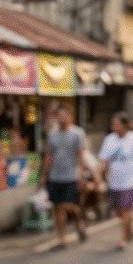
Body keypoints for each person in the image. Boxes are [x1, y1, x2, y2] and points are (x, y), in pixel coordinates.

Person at [39, 105, 99, 249]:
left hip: (71, 176)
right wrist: (44, 175)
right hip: (55, 176)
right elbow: (48, 156)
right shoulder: (52, 135)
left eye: (64, 115)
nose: (61, 118)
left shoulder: (77, 133)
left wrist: (82, 175)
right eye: (59, 115)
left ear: (70, 117)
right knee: (57, 207)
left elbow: (81, 155)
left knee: (69, 206)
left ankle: (79, 221)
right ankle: (62, 239)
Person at [97, 112, 133, 250]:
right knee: (118, 210)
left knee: (126, 209)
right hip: (114, 181)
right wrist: (98, 175)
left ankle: (123, 238)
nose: (113, 126)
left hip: (130, 181)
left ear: (124, 125)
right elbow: (104, 160)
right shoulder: (109, 140)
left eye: (116, 124)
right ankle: (130, 227)